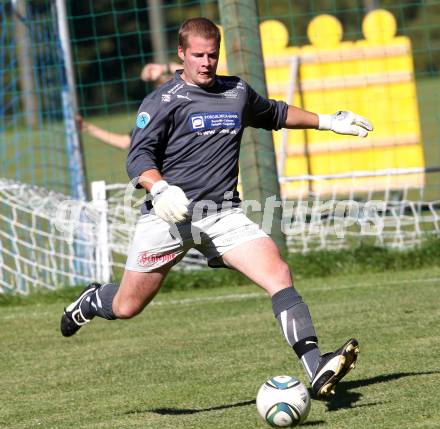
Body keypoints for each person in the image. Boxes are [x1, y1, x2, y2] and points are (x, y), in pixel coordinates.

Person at [60, 17, 372, 399]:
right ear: (181, 54)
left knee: (278, 272)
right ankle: (92, 300)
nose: (206, 62)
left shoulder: (235, 92)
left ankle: (316, 368)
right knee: (127, 306)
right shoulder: (163, 100)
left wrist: (328, 121)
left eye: (212, 55)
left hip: (223, 214)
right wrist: (159, 188)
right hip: (168, 217)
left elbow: (274, 113)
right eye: (198, 55)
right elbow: (137, 155)